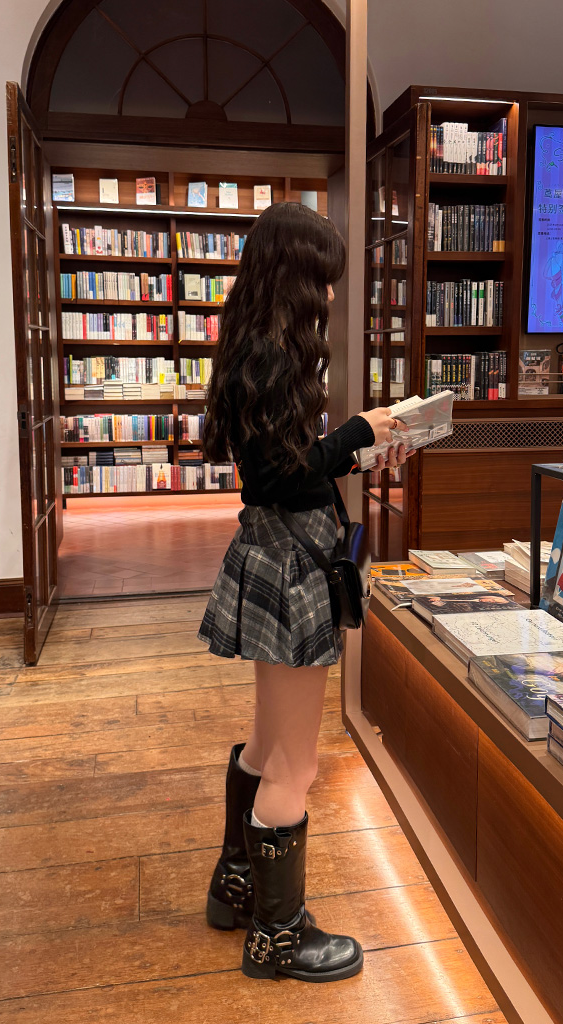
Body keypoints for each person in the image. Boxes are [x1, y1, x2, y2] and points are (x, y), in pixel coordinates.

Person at [198, 202, 409, 983]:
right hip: (292, 566)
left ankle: (237, 885)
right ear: (295, 276)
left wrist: (355, 452)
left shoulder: (253, 345)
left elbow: (284, 466)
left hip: (273, 555)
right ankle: (278, 938)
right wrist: (358, 434)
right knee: (296, 764)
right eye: (322, 280)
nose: (327, 296)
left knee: (266, 747)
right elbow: (281, 475)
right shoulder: (275, 354)